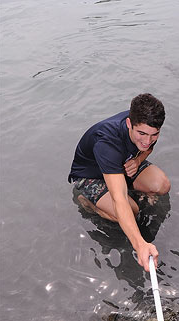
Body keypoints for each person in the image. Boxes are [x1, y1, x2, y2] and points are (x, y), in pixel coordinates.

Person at [68, 93, 171, 272]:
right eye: (142, 134)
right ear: (129, 124)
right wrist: (140, 245)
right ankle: (90, 203)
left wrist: (138, 161)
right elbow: (120, 199)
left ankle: (125, 188)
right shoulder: (107, 142)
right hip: (91, 176)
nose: (147, 141)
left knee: (161, 185)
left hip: (123, 164)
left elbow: (147, 146)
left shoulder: (147, 125)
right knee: (132, 210)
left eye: (154, 135)